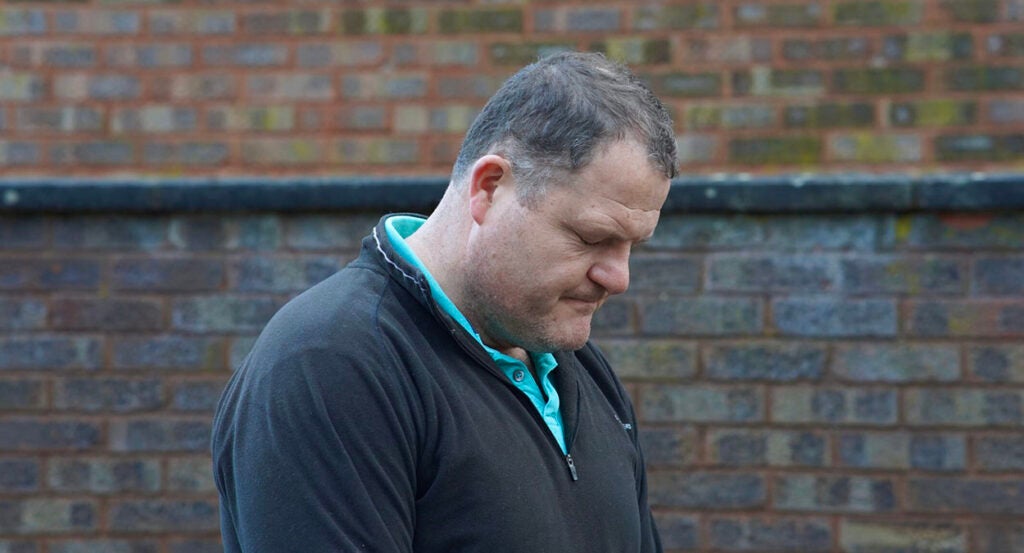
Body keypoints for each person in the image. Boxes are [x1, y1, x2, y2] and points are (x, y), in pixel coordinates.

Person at [211, 51, 678, 552]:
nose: (618, 277)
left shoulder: (582, 371)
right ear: (490, 187)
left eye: (633, 246)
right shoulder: (330, 365)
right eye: (591, 237)